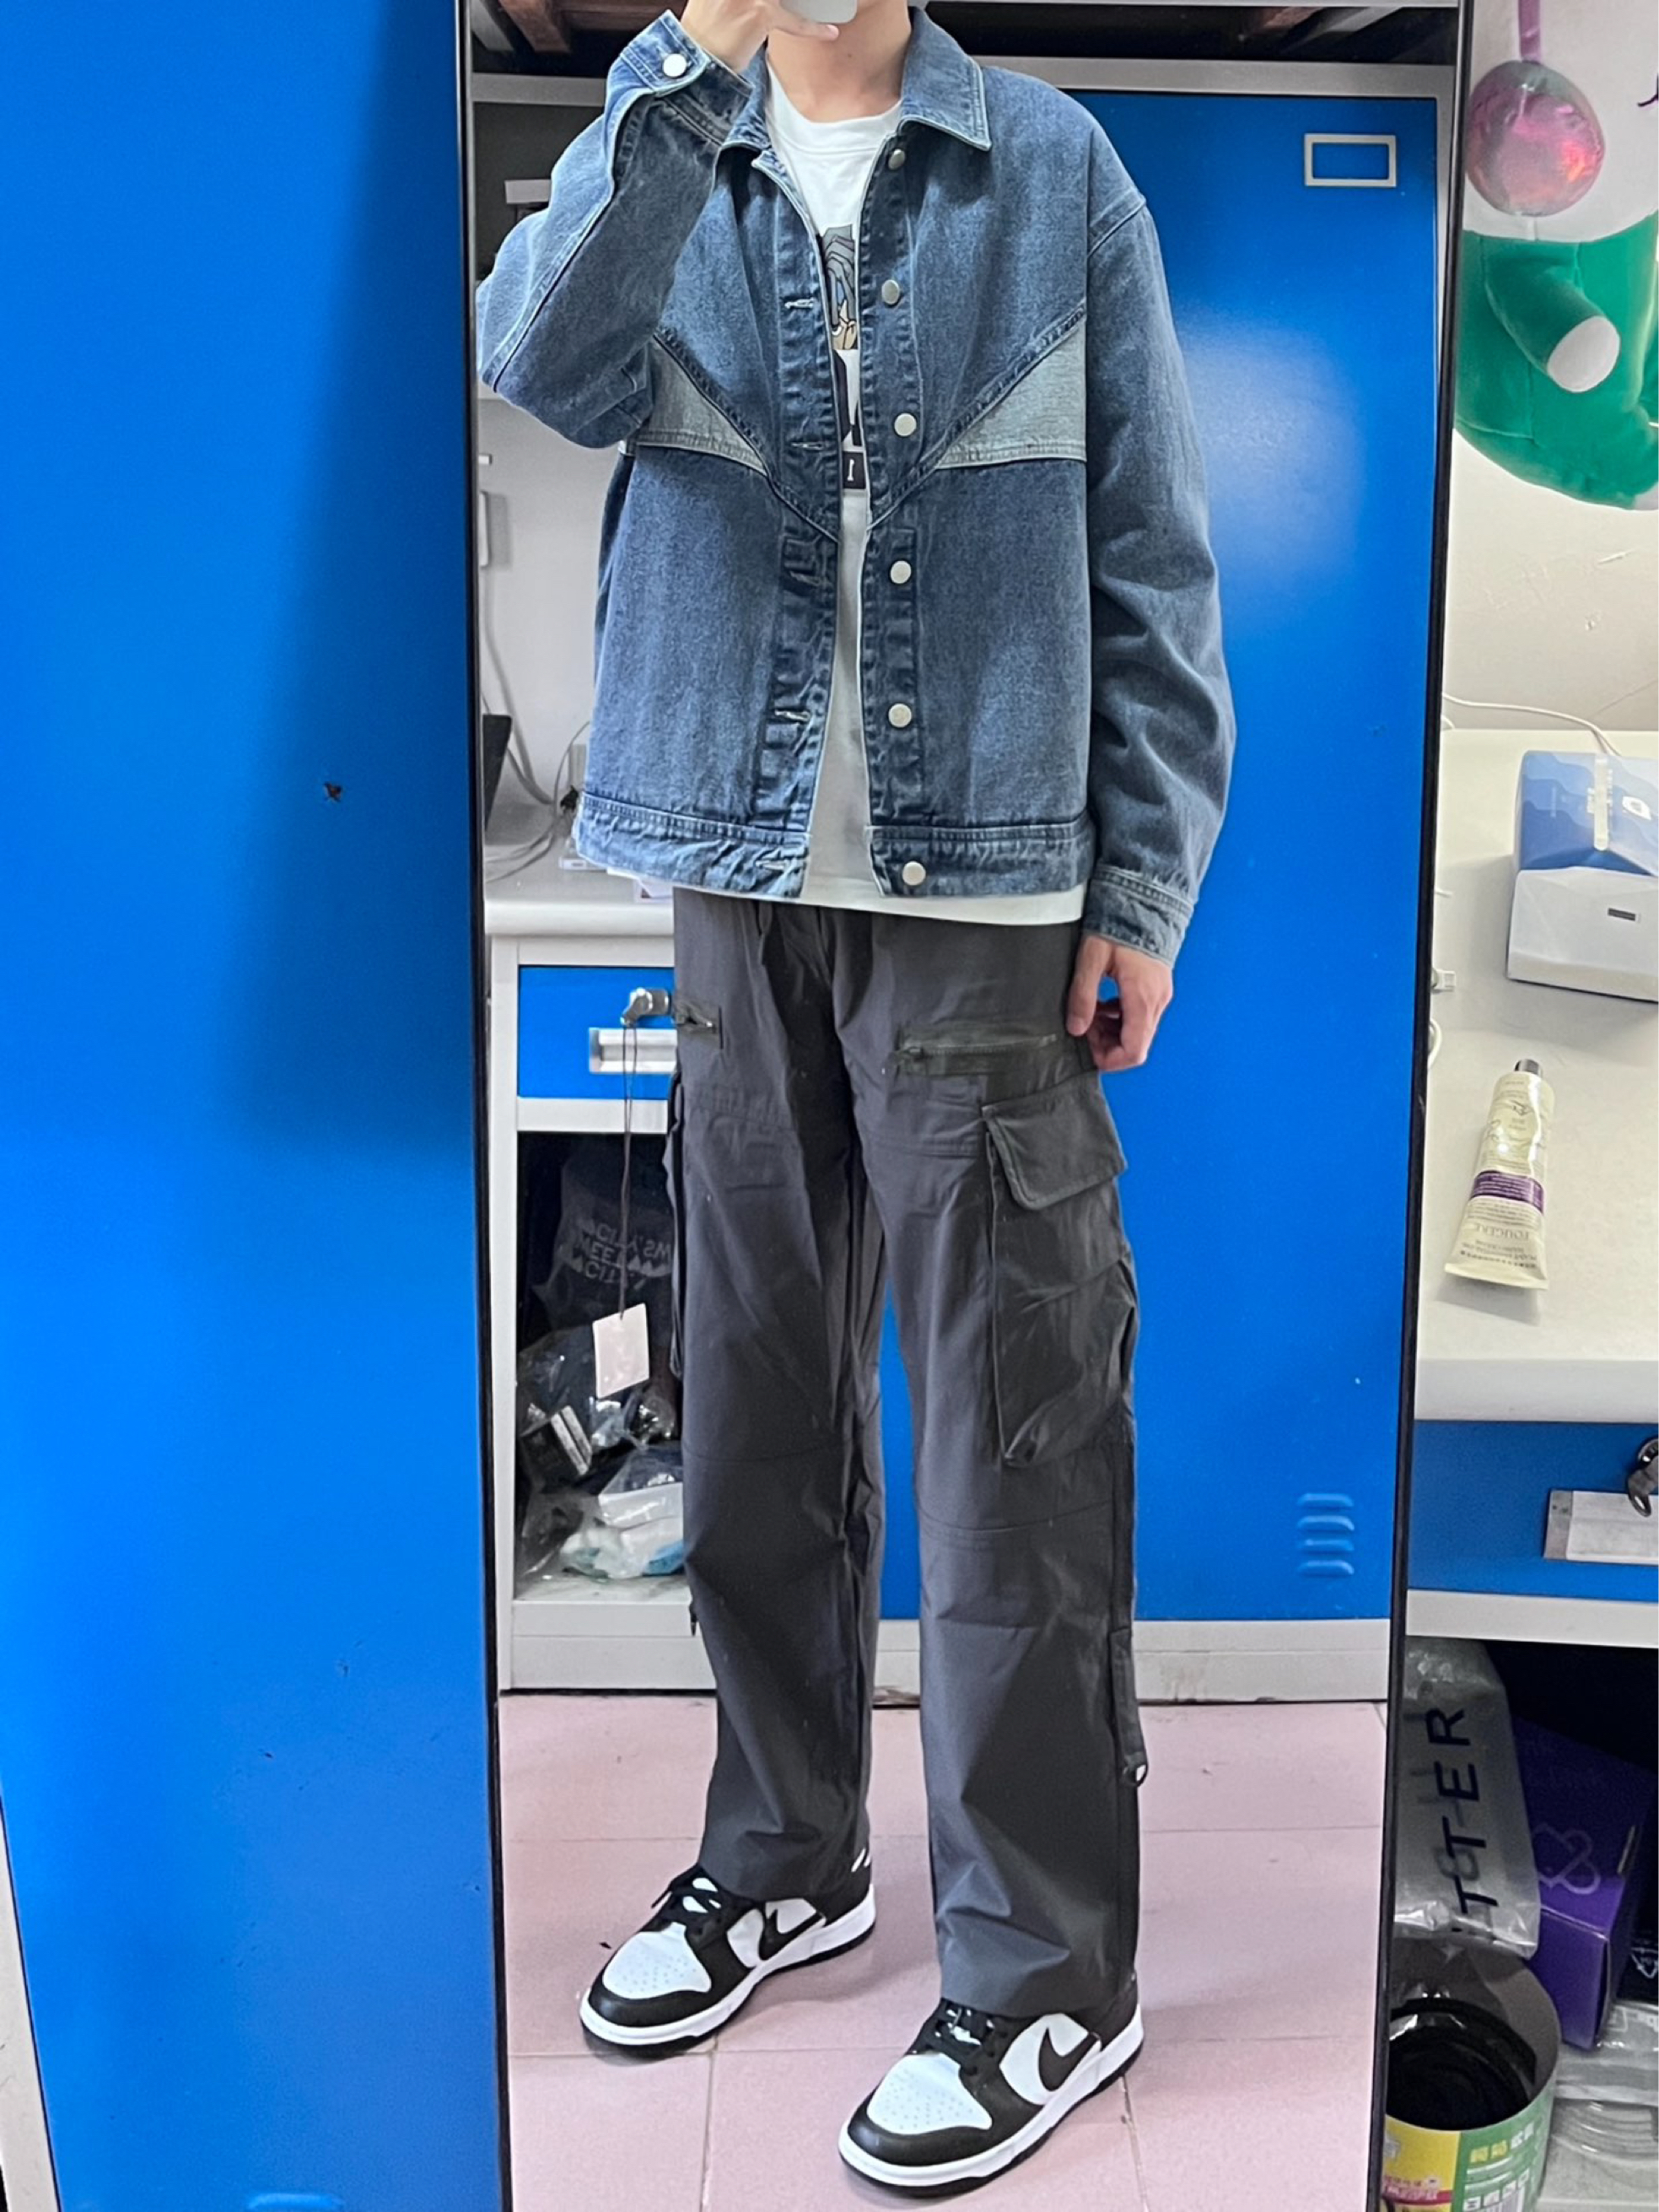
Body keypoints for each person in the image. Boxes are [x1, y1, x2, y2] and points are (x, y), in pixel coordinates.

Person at [477, 0, 1234, 2188]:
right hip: (728, 880)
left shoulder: (1053, 172)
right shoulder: (672, 154)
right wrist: (675, 73)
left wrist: (1143, 886)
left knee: (1013, 1443)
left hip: (985, 889)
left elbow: (1152, 555)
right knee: (753, 1403)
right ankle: (784, 1853)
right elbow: (539, 361)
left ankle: (1048, 1971)